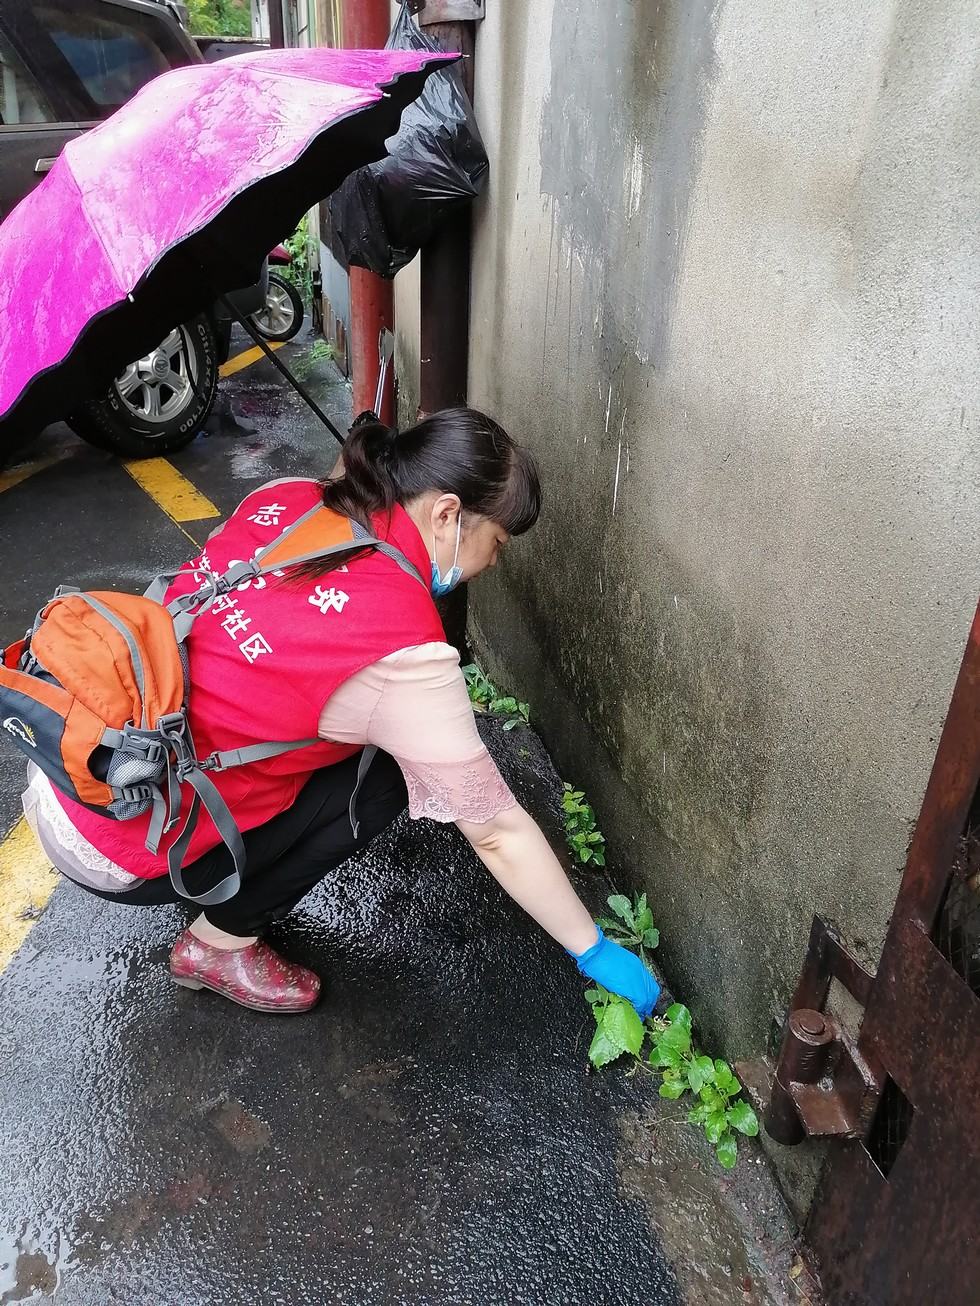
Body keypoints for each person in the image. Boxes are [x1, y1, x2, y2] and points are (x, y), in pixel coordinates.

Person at [23, 408, 659, 1019]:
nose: (493, 563)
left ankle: (223, 864)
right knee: (384, 778)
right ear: (448, 514)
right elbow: (495, 831)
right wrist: (593, 948)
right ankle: (219, 944)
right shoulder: (403, 649)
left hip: (79, 751)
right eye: (495, 542)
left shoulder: (293, 494)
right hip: (118, 838)